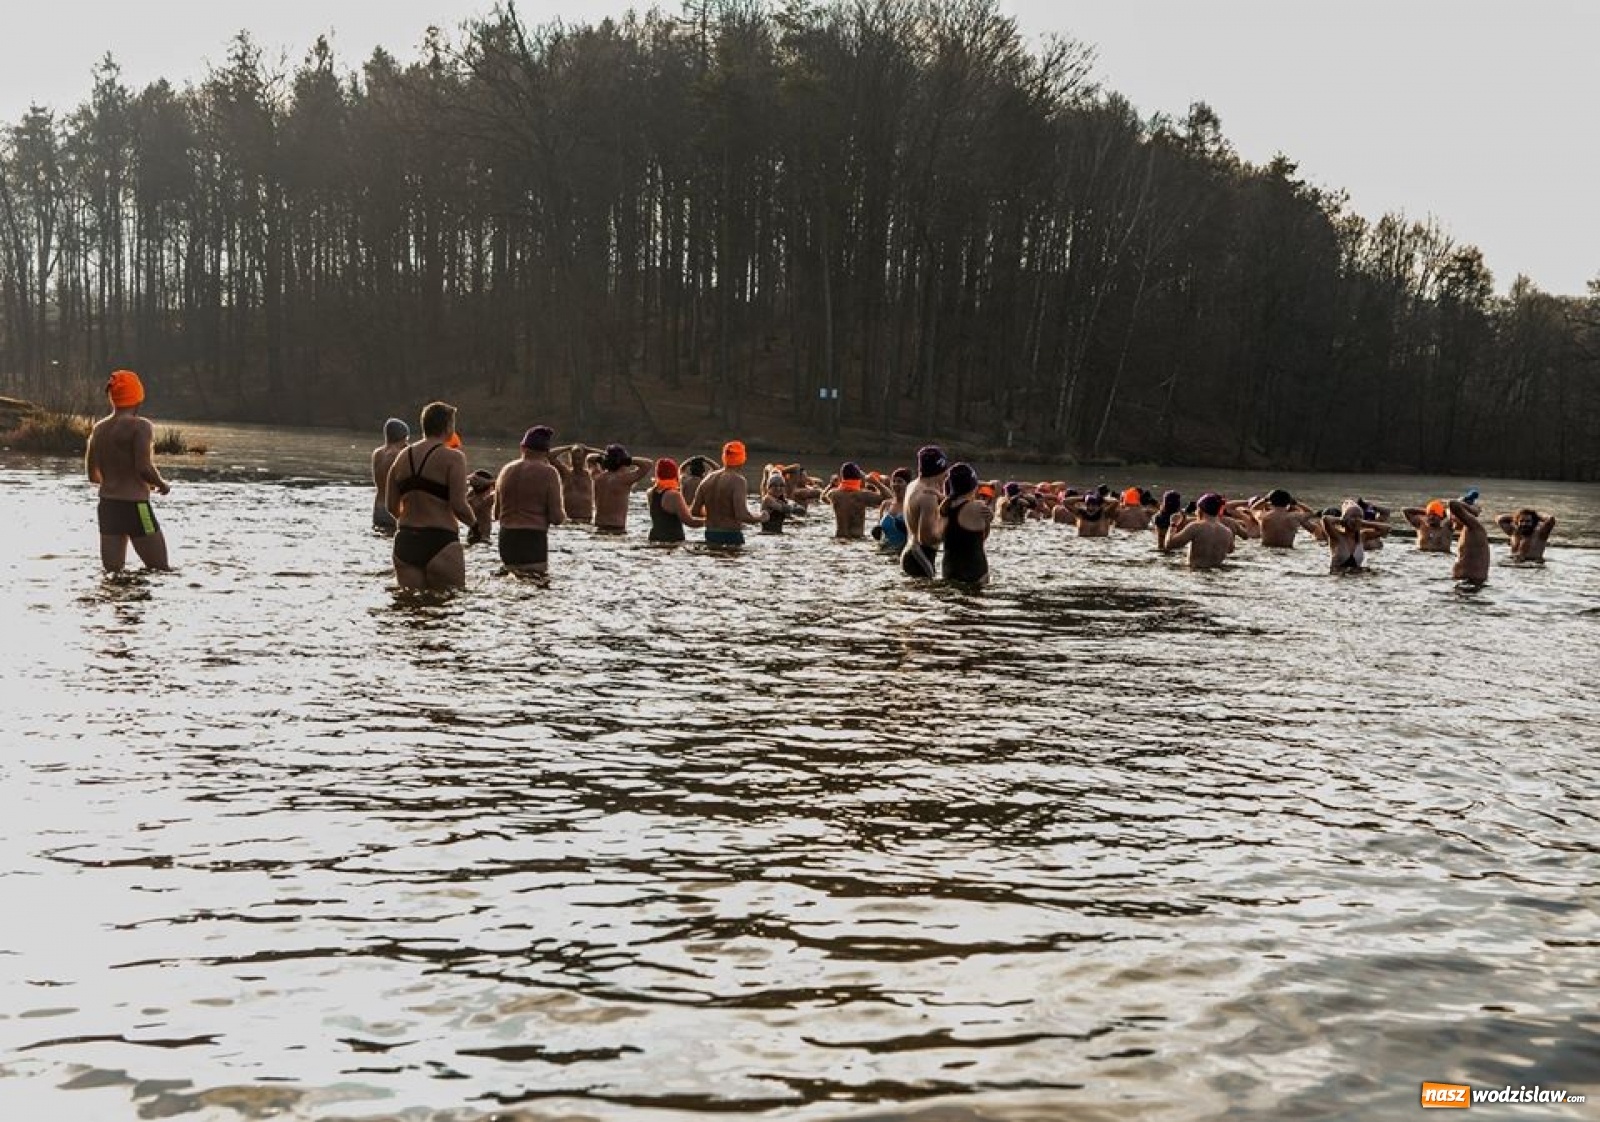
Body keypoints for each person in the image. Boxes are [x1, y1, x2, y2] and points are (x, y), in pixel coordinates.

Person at [85, 369, 172, 573]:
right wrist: (161, 484)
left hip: (108, 507)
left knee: (113, 574)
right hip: (136, 507)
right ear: (138, 397)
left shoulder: (99, 429)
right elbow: (143, 468)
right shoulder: (140, 427)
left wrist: (116, 479)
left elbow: (93, 476)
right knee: (160, 569)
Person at [385, 401, 474, 590]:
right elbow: (459, 506)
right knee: (449, 606)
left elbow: (391, 506)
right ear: (448, 426)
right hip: (441, 540)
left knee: (411, 610)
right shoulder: (454, 458)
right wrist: (475, 526)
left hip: (406, 541)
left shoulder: (401, 457)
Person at [493, 425, 567, 577]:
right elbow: (556, 518)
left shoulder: (506, 470)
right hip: (532, 537)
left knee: (510, 587)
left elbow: (496, 513)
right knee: (536, 587)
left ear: (522, 447)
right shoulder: (549, 473)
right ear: (546, 452)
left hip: (506, 538)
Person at [691, 440, 767, 546]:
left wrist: (714, 514)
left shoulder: (707, 479)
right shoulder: (738, 480)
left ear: (724, 457)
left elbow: (694, 511)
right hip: (731, 535)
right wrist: (761, 517)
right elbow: (741, 515)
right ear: (743, 458)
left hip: (710, 533)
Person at [939, 462, 993, 584]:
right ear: (973, 486)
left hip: (948, 570)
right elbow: (983, 537)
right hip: (974, 572)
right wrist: (989, 520)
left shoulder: (944, 508)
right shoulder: (978, 507)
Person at [1160, 492, 1242, 570]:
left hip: (1195, 572)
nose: (1195, 512)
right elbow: (1230, 550)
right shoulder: (1227, 532)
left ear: (1200, 510)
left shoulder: (1196, 527)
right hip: (1217, 572)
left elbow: (1169, 544)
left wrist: (1173, 524)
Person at [901, 444, 948, 577]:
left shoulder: (913, 485)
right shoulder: (928, 496)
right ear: (939, 469)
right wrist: (948, 526)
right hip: (921, 558)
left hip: (911, 551)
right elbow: (926, 539)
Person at [589, 444, 652, 534]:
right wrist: (626, 460)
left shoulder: (598, 477)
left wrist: (602, 459)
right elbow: (648, 464)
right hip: (616, 528)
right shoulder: (624, 479)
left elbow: (589, 458)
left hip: (598, 526)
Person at [823, 462, 891, 539]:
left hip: (839, 538)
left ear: (842, 477)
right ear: (858, 478)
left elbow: (823, 498)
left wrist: (830, 485)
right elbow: (889, 498)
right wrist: (876, 483)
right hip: (857, 539)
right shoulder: (863, 496)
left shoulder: (834, 494)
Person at [1320, 499, 1389, 573]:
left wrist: (1363, 523)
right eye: (1353, 516)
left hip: (1357, 580)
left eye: (1360, 517)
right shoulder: (1336, 536)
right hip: (1339, 579)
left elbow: (1386, 529)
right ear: (1345, 518)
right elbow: (1325, 520)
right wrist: (1343, 520)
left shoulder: (1362, 536)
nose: (1356, 520)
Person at [646, 458, 704, 544]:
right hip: (672, 540)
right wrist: (710, 521)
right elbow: (690, 522)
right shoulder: (674, 495)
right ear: (674, 474)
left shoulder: (650, 492)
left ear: (657, 473)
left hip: (654, 538)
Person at [371, 418, 409, 534]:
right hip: (393, 508)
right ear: (402, 436)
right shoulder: (400, 454)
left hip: (378, 508)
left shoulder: (377, 453)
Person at [1250, 489, 1320, 549]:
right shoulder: (1295, 517)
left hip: (1266, 549)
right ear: (1288, 503)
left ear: (1270, 502)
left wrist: (1265, 499)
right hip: (1287, 549)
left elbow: (1253, 508)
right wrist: (1296, 503)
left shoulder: (1263, 516)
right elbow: (1310, 513)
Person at [872, 468, 911, 553]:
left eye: (900, 481)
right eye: (894, 481)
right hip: (884, 552)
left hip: (903, 553)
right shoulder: (885, 505)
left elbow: (919, 536)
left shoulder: (911, 506)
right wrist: (877, 532)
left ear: (908, 485)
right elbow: (880, 534)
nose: (896, 484)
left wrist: (907, 530)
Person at [556, 444, 598, 524]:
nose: (576, 462)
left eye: (579, 459)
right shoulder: (566, 473)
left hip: (586, 519)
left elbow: (607, 456)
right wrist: (568, 447)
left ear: (584, 459)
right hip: (569, 519)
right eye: (574, 459)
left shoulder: (591, 475)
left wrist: (588, 450)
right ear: (570, 459)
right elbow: (549, 455)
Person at [1450, 499, 1489, 584]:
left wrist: (1473, 510)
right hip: (1464, 580)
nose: (1451, 519)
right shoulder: (1468, 530)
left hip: (1472, 582)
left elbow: (1453, 503)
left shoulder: (1475, 528)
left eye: (1454, 515)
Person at [465, 471, 496, 545]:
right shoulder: (487, 501)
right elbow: (502, 489)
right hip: (483, 538)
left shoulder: (469, 499)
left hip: (471, 536)